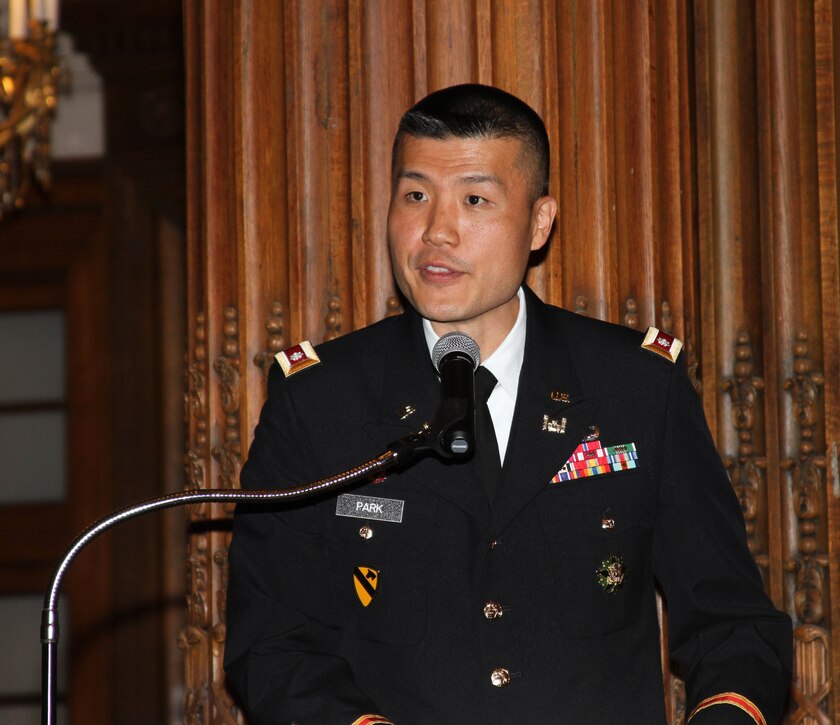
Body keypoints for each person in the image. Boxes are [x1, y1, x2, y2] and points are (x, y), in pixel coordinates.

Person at [225, 83, 793, 725]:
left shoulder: (634, 388)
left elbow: (735, 624)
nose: (436, 231)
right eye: (415, 196)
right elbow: (272, 643)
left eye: (474, 200)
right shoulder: (320, 402)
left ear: (540, 222)